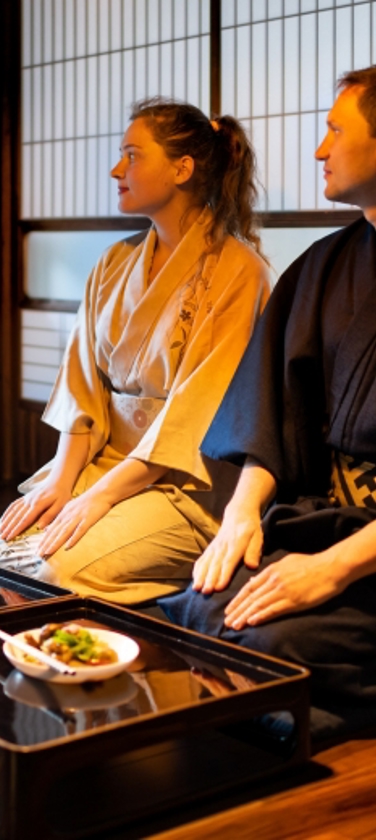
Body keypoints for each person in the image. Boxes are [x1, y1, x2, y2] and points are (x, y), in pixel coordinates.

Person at [159, 68, 376, 738]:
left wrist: (333, 572)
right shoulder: (323, 265)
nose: (320, 150)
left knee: (271, 644)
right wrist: (241, 514)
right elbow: (276, 412)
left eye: (336, 130)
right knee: (199, 605)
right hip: (326, 522)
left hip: (364, 551)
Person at [0, 97, 271, 603]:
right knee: (6, 546)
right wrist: (62, 481)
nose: (118, 169)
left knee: (53, 569)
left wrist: (98, 499)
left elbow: (192, 417)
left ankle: (126, 654)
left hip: (184, 484)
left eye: (133, 155)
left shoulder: (238, 271)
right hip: (105, 462)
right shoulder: (114, 262)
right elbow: (82, 387)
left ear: (182, 168)